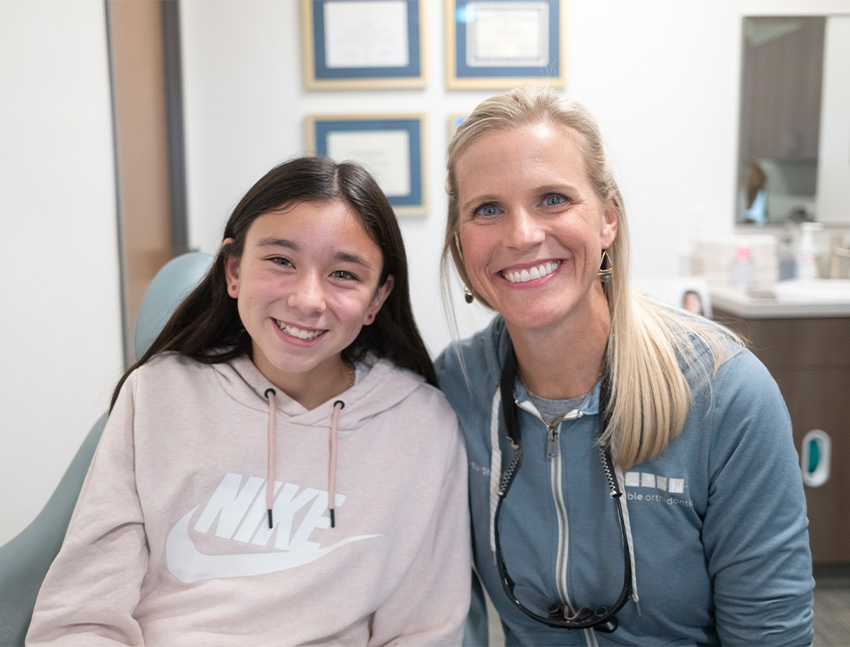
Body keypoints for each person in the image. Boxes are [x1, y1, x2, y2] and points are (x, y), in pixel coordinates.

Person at [27, 157, 470, 646]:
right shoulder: (157, 394)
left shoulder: (424, 425)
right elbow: (81, 616)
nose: (307, 299)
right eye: (281, 261)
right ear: (233, 270)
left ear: (376, 299)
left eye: (343, 274)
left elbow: (424, 630)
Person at [435, 87, 813, 645]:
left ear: (608, 219)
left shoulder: (726, 393)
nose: (522, 235)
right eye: (487, 209)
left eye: (553, 199)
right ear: (461, 241)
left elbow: (769, 633)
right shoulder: (454, 389)